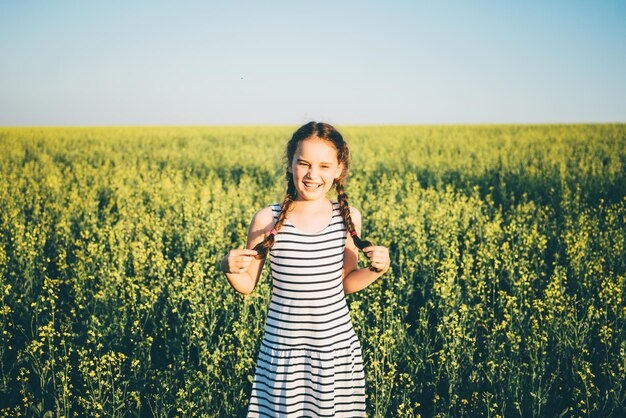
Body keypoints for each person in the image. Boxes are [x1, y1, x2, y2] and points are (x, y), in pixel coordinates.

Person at [220, 121, 390, 417]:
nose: (313, 175)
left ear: (339, 170)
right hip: (285, 349)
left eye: (324, 166)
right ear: (290, 165)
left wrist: (377, 269)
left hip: (334, 348)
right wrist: (229, 267)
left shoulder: (348, 217)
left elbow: (346, 282)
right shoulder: (267, 219)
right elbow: (247, 285)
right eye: (304, 164)